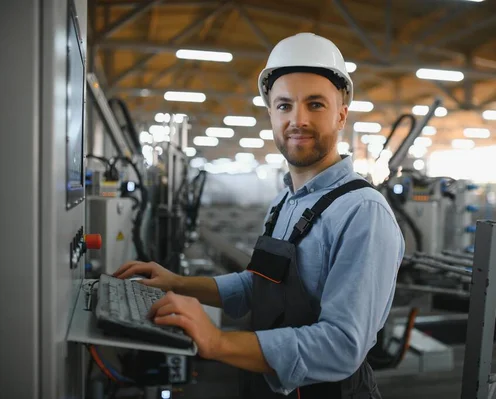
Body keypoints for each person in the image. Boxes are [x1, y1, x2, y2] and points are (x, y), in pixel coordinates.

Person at [114, 32, 404, 398]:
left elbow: (342, 345)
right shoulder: (285, 201)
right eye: (284, 105)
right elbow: (261, 286)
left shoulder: (363, 212)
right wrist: (177, 283)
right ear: (270, 113)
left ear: (341, 114)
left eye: (315, 104)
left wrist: (218, 342)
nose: (297, 120)